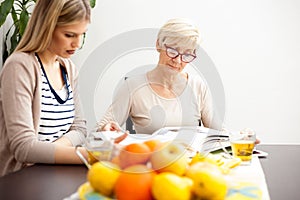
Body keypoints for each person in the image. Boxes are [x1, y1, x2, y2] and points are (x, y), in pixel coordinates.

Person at [0, 0, 91, 177]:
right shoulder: (20, 66)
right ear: (46, 27)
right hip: (20, 180)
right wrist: (89, 156)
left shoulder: (68, 69)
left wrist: (48, 151)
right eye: (69, 35)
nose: (77, 44)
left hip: (53, 174)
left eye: (82, 34)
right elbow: (24, 148)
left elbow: (80, 129)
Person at [97, 18, 222, 134]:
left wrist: (238, 137)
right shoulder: (132, 87)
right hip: (150, 157)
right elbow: (101, 129)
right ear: (158, 44)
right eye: (173, 51)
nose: (178, 61)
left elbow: (219, 133)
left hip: (191, 157)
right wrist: (105, 130)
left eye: (187, 55)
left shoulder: (197, 86)